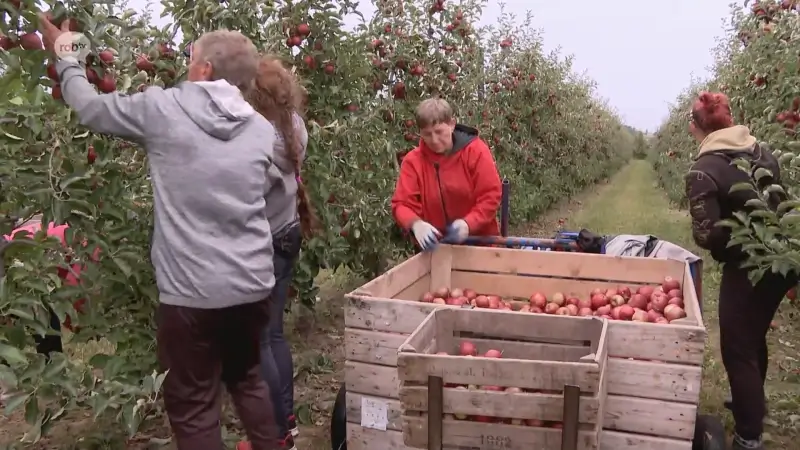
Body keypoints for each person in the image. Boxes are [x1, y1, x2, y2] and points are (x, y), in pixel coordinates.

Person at [39, 17, 283, 449]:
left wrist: (66, 56)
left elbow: (91, 108)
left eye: (191, 60)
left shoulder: (163, 109)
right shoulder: (263, 131)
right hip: (252, 286)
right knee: (248, 381)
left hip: (192, 294)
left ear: (205, 69)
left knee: (193, 405)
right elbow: (263, 194)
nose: (187, 68)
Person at [685, 91, 796, 450]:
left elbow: (707, 236)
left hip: (750, 264)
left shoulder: (703, 170)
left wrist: (727, 233)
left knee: (737, 348)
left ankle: (748, 436)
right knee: (753, 335)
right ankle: (749, 402)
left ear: (694, 127)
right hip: (782, 260)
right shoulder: (760, 152)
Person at [237, 56, 320, 450]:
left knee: (258, 342)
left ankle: (273, 434)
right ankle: (286, 419)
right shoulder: (294, 127)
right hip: (288, 234)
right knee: (274, 335)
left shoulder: (254, 138)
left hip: (264, 241)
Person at [391, 98, 502, 250]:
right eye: (427, 134)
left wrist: (468, 223)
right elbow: (402, 204)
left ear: (451, 124)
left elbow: (491, 195)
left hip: (480, 245)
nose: (434, 140)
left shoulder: (475, 151)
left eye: (439, 132)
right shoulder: (413, 162)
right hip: (436, 249)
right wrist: (416, 224)